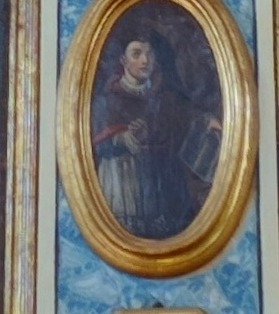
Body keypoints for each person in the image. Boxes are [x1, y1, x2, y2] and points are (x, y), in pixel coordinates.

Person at [87, 21, 222, 242]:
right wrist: (123, 137)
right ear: (123, 60)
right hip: (125, 182)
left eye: (149, 54)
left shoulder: (165, 96)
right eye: (136, 53)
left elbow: (185, 118)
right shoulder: (108, 100)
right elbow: (95, 143)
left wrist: (206, 122)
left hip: (164, 182)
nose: (145, 60)